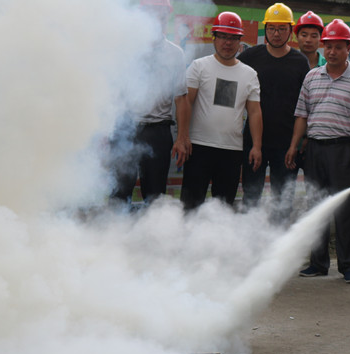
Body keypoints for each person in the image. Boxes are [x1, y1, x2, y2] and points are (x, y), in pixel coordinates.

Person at [287, 18, 350, 283]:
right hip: (314, 149)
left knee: (344, 210)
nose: (332, 52)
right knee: (316, 206)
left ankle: (349, 266)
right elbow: (302, 115)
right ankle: (318, 262)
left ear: (349, 48)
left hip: (343, 151)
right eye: (329, 47)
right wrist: (294, 146)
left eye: (338, 47)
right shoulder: (312, 76)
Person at [109, 0, 190, 205]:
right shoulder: (125, 50)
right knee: (119, 192)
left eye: (160, 14)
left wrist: (181, 138)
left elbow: (181, 99)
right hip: (124, 129)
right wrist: (106, 132)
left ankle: (152, 235)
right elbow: (113, 94)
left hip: (158, 132)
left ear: (166, 17)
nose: (155, 18)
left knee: (155, 196)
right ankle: (113, 234)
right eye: (150, 13)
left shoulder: (175, 54)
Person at [180, 11, 262, 211]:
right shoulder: (199, 67)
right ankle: (185, 242)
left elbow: (254, 112)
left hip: (231, 151)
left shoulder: (249, 74)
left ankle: (217, 243)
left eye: (233, 38)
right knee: (191, 205)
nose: (228, 42)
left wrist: (257, 146)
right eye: (223, 36)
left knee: (223, 209)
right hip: (198, 147)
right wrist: (182, 137)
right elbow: (185, 102)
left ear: (240, 40)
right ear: (214, 37)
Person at [238, 3, 310, 221]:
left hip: (286, 146)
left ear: (290, 30)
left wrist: (296, 144)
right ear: (265, 30)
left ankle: (278, 246)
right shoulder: (250, 57)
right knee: (250, 197)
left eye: (281, 29)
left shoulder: (300, 62)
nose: (276, 34)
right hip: (253, 142)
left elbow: (305, 106)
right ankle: (247, 244)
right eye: (271, 29)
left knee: (282, 200)